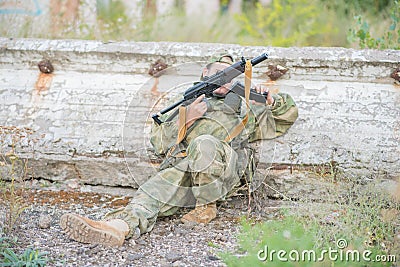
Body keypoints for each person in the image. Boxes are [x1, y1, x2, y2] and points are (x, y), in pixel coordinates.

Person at [60, 52, 298, 247]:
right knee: (149, 195)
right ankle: (116, 229)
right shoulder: (186, 104)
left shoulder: (244, 106)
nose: (224, 80)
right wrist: (186, 120)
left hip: (223, 174)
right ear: (205, 74)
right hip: (185, 171)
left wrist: (271, 101)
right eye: (218, 73)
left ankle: (206, 207)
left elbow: (285, 117)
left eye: (230, 76)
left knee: (204, 142)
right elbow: (159, 143)